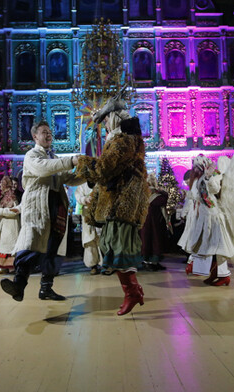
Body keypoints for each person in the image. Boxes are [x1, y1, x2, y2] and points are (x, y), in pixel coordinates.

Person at [75, 93, 151, 315]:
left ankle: (132, 292)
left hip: (122, 204)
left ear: (115, 117)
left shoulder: (124, 141)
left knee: (119, 249)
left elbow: (105, 168)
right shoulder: (120, 139)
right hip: (116, 204)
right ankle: (133, 290)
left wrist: (80, 161)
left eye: (107, 119)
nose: (105, 124)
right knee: (113, 247)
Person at [0, 120, 83, 302]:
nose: (49, 134)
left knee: (53, 247)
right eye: (44, 132)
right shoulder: (32, 155)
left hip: (56, 204)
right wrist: (71, 161)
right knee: (31, 244)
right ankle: (18, 285)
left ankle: (46, 288)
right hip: (38, 206)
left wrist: (89, 174)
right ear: (35, 136)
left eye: (50, 132)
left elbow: (68, 178)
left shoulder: (54, 157)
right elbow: (44, 168)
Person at [177, 155, 234, 286]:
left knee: (217, 247)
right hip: (203, 216)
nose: (196, 170)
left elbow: (215, 189)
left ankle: (223, 275)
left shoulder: (213, 175)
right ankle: (215, 273)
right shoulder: (198, 179)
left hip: (212, 216)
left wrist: (209, 178)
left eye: (198, 167)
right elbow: (196, 195)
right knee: (209, 248)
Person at [0, 175, 21, 274]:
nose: (0, 185)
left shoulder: (11, 196)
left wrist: (0, 210)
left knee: (9, 247)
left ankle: (12, 267)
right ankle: (3, 267)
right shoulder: (4, 195)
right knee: (2, 246)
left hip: (10, 226)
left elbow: (14, 211)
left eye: (1, 183)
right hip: (4, 225)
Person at [140, 174, 169, 271]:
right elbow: (163, 199)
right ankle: (148, 262)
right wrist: (162, 192)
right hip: (152, 222)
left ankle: (153, 262)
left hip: (150, 222)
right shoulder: (155, 195)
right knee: (152, 241)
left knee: (150, 241)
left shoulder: (144, 193)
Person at [73, 182, 103, 275]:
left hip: (100, 213)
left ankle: (105, 264)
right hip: (87, 214)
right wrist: (85, 199)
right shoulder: (82, 184)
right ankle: (93, 266)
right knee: (89, 240)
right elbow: (78, 196)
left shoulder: (101, 182)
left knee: (101, 239)